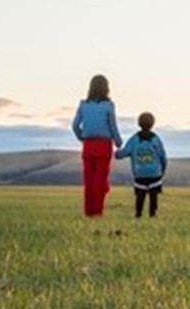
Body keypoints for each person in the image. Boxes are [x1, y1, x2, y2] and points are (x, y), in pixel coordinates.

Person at [71, 74, 122, 218]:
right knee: (100, 181)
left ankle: (88, 212)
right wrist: (118, 142)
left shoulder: (83, 104)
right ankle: (97, 213)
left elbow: (75, 125)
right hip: (104, 145)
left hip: (88, 145)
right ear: (107, 88)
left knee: (89, 181)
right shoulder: (109, 105)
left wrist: (81, 137)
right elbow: (113, 126)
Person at [116, 112, 167, 218]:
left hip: (139, 174)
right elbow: (163, 157)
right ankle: (153, 215)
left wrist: (116, 154)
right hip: (155, 173)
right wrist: (162, 171)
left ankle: (138, 215)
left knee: (140, 196)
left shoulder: (134, 139)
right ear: (153, 124)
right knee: (154, 197)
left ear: (139, 123)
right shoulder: (156, 139)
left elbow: (125, 152)